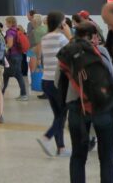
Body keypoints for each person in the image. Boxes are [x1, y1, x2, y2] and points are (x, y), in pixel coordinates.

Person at [57, 23, 113, 183]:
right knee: (107, 157)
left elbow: (58, 82)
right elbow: (111, 77)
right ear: (93, 36)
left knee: (78, 156)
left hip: (77, 109)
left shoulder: (66, 52)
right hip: (103, 109)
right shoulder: (102, 51)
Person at [35, 11, 71, 157]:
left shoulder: (45, 38)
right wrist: (68, 33)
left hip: (46, 81)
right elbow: (73, 49)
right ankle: (46, 137)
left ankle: (61, 147)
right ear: (61, 23)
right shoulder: (61, 37)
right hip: (58, 82)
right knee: (62, 114)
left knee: (58, 115)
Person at [3, 16, 29, 101]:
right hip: (19, 55)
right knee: (14, 75)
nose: (6, 24)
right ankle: (23, 94)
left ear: (10, 23)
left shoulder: (10, 32)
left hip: (12, 57)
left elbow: (9, 45)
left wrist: (3, 48)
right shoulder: (17, 30)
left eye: (7, 22)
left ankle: (23, 94)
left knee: (9, 75)